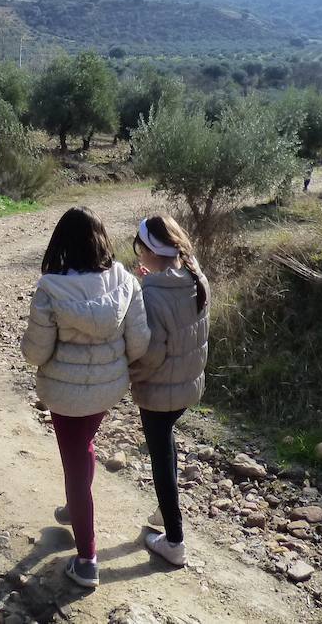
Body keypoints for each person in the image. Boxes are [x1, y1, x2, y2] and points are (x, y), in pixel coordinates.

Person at [20, 207, 150, 589]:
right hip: (107, 390)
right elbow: (139, 343)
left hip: (63, 393)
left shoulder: (51, 288)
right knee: (84, 449)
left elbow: (36, 353)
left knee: (75, 465)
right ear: (101, 240)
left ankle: (87, 560)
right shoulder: (125, 280)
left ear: (61, 242)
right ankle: (72, 509)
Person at [129, 215, 210, 567]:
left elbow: (151, 354)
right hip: (189, 384)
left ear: (148, 250)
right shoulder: (195, 275)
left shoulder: (152, 293)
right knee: (167, 444)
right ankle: (165, 512)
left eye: (140, 249)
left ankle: (174, 541)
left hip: (161, 390)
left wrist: (130, 375)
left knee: (160, 458)